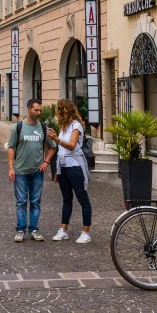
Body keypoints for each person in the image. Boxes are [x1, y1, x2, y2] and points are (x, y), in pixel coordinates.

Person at [7, 98, 56, 243]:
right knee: (21, 201)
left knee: (35, 201)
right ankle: (21, 230)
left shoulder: (43, 128)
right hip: (21, 171)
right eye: (36, 110)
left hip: (37, 172)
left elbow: (53, 147)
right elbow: (11, 147)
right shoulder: (18, 127)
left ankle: (34, 229)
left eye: (40, 110)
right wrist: (11, 168)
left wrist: (46, 161)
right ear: (29, 109)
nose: (39, 112)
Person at [48, 99, 92, 244]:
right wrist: (57, 172)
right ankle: (63, 230)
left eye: (58, 111)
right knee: (66, 198)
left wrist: (57, 139)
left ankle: (86, 232)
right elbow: (61, 150)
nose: (56, 114)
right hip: (64, 167)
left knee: (82, 198)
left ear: (63, 111)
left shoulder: (76, 125)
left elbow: (72, 146)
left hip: (75, 166)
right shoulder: (63, 127)